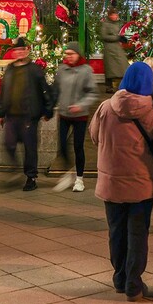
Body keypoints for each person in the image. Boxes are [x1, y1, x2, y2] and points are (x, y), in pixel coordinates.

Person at [90, 62, 153, 302]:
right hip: (141, 185)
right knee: (138, 234)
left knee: (116, 231)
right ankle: (134, 283)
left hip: (110, 183)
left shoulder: (104, 108)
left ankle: (119, 278)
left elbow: (94, 136)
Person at [0, 37, 54, 191]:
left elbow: (45, 90)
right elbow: (4, 91)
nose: (19, 52)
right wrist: (1, 112)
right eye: (17, 50)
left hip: (29, 116)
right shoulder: (9, 69)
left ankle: (31, 178)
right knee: (9, 144)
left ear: (27, 51)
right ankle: (15, 169)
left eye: (22, 50)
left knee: (30, 148)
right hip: (11, 116)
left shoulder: (34, 69)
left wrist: (48, 110)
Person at [52, 41, 99, 193]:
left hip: (80, 116)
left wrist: (81, 105)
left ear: (78, 55)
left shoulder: (86, 71)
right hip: (64, 114)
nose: (69, 57)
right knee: (62, 147)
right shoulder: (62, 70)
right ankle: (68, 172)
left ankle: (79, 178)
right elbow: (56, 90)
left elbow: (92, 93)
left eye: (72, 54)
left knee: (78, 146)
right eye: (67, 54)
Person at [100, 8, 129, 92]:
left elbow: (121, 32)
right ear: (109, 16)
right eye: (113, 15)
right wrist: (117, 37)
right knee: (110, 70)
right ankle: (109, 87)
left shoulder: (118, 24)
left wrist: (122, 38)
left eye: (116, 14)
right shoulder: (105, 24)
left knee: (123, 66)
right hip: (109, 49)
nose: (114, 16)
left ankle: (122, 85)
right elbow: (104, 36)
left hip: (117, 49)